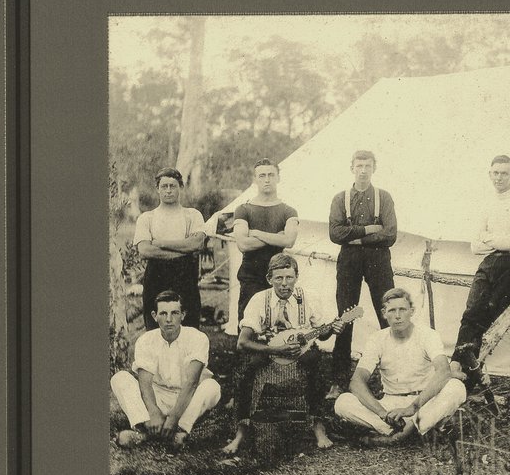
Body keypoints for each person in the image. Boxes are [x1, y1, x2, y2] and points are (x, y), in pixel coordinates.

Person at [223, 253, 344, 455]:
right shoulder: (259, 300)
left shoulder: (309, 297)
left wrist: (333, 329)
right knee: (248, 369)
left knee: (315, 362)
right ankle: (241, 431)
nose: (284, 284)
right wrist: (275, 350)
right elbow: (242, 343)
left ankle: (318, 426)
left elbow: (321, 335)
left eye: (289, 277)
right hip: (269, 349)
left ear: (297, 277)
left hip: (301, 350)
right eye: (279, 278)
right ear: (269, 279)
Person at [335, 288, 467, 446]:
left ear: (412, 311)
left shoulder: (428, 335)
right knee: (343, 402)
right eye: (392, 310)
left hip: (424, 401)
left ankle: (399, 435)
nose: (397, 316)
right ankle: (410, 429)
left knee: (456, 388)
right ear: (384, 313)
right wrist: (382, 413)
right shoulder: (377, 338)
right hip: (391, 404)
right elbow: (356, 382)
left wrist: (412, 408)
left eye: (402, 309)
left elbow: (444, 372)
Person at [452, 155, 510, 390]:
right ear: (490, 174)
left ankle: (470, 377)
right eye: (495, 173)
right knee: (471, 312)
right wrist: (499, 241)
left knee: (487, 318)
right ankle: (455, 367)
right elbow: (474, 246)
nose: (499, 177)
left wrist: (488, 238)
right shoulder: (487, 203)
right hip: (489, 263)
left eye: (504, 173)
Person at [110, 290, 221, 450]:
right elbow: (145, 383)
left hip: (187, 398)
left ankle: (176, 430)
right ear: (154, 316)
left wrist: (174, 418)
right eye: (163, 313)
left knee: (212, 387)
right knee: (120, 378)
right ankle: (147, 427)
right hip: (158, 396)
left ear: (183, 315)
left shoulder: (197, 338)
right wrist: (153, 412)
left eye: (174, 313)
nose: (169, 319)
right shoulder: (146, 340)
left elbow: (191, 383)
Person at [326, 150, 397, 399]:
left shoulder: (383, 197)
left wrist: (356, 237)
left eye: (367, 166)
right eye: (359, 166)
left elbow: (390, 234)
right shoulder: (340, 198)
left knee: (388, 314)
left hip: (378, 260)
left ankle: (394, 378)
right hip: (349, 261)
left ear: (374, 168)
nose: (363, 170)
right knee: (345, 316)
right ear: (352, 168)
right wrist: (368, 231)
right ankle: (338, 381)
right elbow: (335, 233)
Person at [133, 168, 206, 330]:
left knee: (188, 325)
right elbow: (145, 250)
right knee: (155, 326)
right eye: (164, 186)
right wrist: (183, 249)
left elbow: (196, 244)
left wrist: (160, 243)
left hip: (185, 275)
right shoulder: (147, 218)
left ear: (181, 187)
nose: (168, 190)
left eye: (172, 186)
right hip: (156, 276)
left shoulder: (192, 215)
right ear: (157, 189)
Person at [232, 158, 300, 323]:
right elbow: (243, 244)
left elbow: (289, 241)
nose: (267, 179)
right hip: (251, 275)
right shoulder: (243, 209)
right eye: (262, 176)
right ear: (255, 179)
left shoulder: (289, 211)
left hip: (280, 276)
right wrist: (277, 236)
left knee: (277, 324)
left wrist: (257, 233)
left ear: (278, 178)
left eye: (271, 175)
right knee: (249, 323)